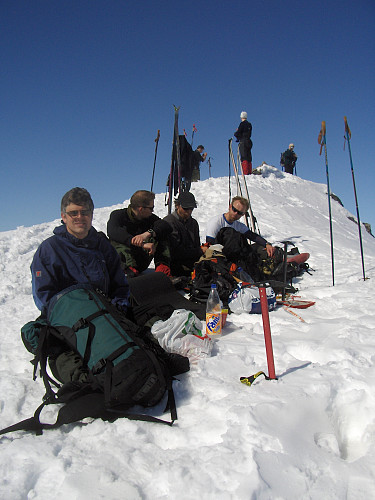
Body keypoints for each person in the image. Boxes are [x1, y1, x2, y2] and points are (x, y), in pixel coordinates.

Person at [31, 187, 130, 316]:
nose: (80, 217)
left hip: (107, 315)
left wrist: (119, 308)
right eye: (73, 213)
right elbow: (44, 295)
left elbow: (119, 285)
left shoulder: (103, 246)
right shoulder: (49, 250)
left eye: (84, 212)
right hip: (71, 320)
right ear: (64, 216)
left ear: (91, 215)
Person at [107, 190, 172, 278]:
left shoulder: (149, 218)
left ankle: (162, 270)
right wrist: (140, 243)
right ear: (141, 209)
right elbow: (113, 231)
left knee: (161, 233)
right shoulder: (118, 215)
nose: (152, 211)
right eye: (151, 208)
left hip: (141, 261)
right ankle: (128, 271)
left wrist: (147, 234)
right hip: (124, 264)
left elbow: (166, 226)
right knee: (114, 240)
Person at [206, 196, 275, 257]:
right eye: (234, 210)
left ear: (243, 214)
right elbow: (209, 243)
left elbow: (252, 236)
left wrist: (266, 244)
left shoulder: (239, 225)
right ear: (230, 206)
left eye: (239, 213)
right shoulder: (216, 222)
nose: (236, 214)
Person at [163, 192, 205, 277]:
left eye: (191, 208)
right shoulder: (169, 222)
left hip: (193, 263)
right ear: (177, 205)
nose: (189, 212)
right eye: (186, 208)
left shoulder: (193, 223)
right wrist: (199, 251)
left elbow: (196, 245)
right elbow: (175, 253)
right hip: (177, 266)